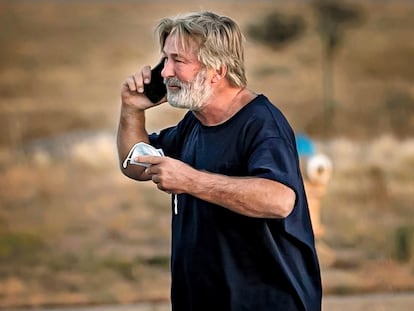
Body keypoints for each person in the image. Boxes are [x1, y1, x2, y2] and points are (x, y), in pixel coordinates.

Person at [117, 11, 322, 311]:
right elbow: (135, 164)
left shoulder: (262, 124)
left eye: (178, 61)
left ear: (217, 70)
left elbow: (279, 200)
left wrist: (190, 180)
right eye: (165, 59)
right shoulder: (194, 123)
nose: (164, 72)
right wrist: (132, 110)